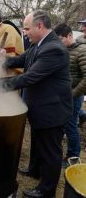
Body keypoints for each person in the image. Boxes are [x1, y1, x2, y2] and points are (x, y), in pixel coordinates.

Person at [0, 10, 72, 197]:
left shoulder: (53, 49)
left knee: (50, 151)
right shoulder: (38, 45)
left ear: (40, 26)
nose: (24, 32)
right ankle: (34, 170)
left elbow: (30, 77)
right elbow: (20, 60)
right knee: (38, 142)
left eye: (27, 28)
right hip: (39, 107)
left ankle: (46, 191)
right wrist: (3, 57)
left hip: (52, 109)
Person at [54, 23, 86, 167]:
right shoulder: (63, 50)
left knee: (70, 125)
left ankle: (73, 157)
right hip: (62, 94)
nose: (59, 42)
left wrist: (72, 94)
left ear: (70, 36)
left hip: (73, 95)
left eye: (61, 39)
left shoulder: (82, 51)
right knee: (63, 122)